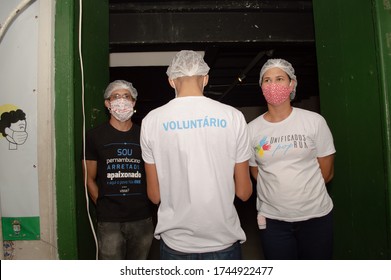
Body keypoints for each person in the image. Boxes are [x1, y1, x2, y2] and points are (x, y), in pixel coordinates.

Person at [140, 50, 253, 260]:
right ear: (206, 78)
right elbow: (244, 192)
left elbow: (154, 196)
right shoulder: (233, 117)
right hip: (223, 240)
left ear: (172, 80)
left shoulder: (151, 121)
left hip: (176, 242)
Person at [248, 58, 336, 260]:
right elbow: (256, 171)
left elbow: (327, 172)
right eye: (267, 80)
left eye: (279, 79)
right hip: (273, 221)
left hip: (316, 217)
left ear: (292, 84)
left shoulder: (313, 122)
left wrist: (301, 196)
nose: (273, 85)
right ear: (261, 87)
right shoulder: (251, 129)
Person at [82, 80, 154, 260]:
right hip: (109, 220)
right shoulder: (93, 136)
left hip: (142, 218)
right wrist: (104, 205)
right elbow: (88, 178)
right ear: (107, 103)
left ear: (133, 102)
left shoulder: (145, 135)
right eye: (116, 96)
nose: (121, 101)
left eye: (126, 96)